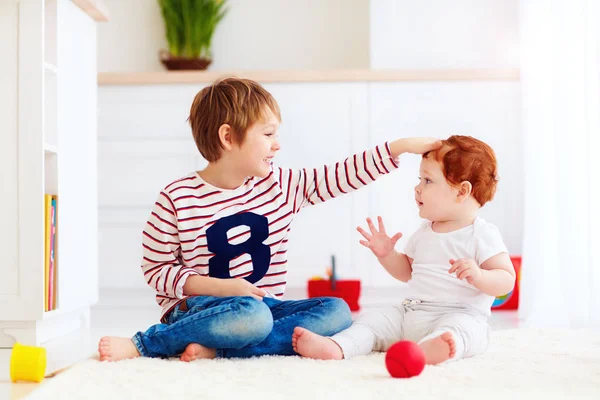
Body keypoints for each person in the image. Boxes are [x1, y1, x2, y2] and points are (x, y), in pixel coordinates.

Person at [97, 77, 441, 362]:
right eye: (268, 134)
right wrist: (220, 288)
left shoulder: (280, 185)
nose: (277, 145)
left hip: (265, 308)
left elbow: (338, 176)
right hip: (201, 311)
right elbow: (157, 272)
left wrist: (399, 147)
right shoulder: (176, 198)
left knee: (337, 310)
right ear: (228, 137)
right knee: (251, 315)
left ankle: (220, 352)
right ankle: (146, 344)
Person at [292, 135, 515, 365]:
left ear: (461, 191)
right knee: (373, 319)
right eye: (420, 179)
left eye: (427, 180)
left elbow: (506, 279)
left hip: (459, 314)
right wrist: (387, 254)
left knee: (466, 331)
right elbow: (406, 271)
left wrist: (479, 275)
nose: (417, 188)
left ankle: (437, 347)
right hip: (411, 314)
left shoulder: (481, 234)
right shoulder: (425, 232)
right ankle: (339, 346)